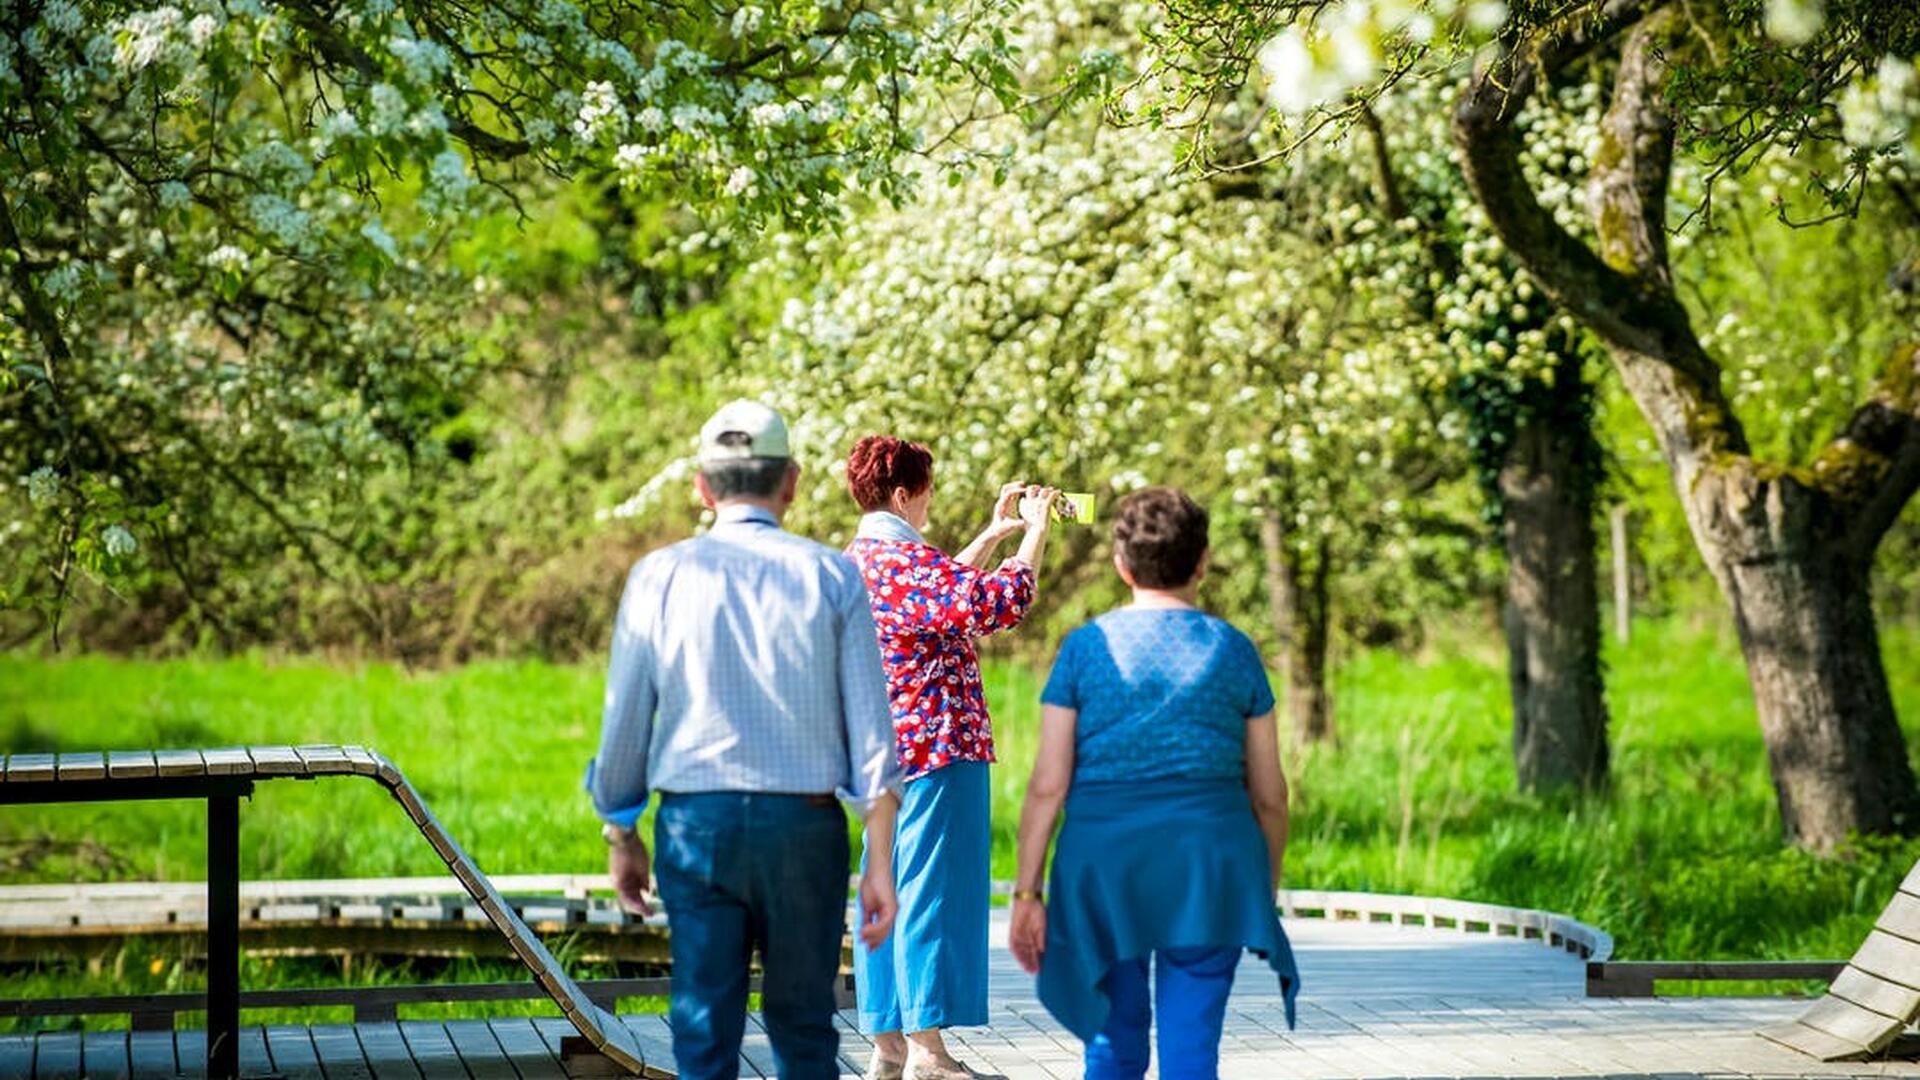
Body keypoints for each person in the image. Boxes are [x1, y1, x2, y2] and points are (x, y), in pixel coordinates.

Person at [587, 400, 904, 1080]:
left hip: (697, 827)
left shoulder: (659, 576)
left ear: (703, 488)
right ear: (790, 480)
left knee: (703, 1029)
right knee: (805, 1031)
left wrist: (621, 830)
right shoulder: (833, 575)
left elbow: (624, 725)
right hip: (805, 827)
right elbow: (873, 733)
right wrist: (880, 859)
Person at [1008, 486, 1299, 1080]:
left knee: (1113, 1044)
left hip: (1103, 867)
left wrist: (1027, 894)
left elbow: (1047, 786)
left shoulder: (1084, 649)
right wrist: (1261, 885)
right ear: (1202, 562)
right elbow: (1270, 794)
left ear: (1121, 565)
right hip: (1208, 864)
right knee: (1192, 1050)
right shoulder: (1235, 651)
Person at [843, 434, 1059, 1080]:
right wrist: (1035, 535)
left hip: (881, 758)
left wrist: (993, 534)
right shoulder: (908, 566)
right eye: (927, 488)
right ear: (904, 493)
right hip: (936, 747)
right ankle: (929, 1052)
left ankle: (886, 1041)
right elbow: (996, 604)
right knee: (929, 893)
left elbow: (941, 604)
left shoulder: (863, 559)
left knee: (885, 889)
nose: (931, 499)